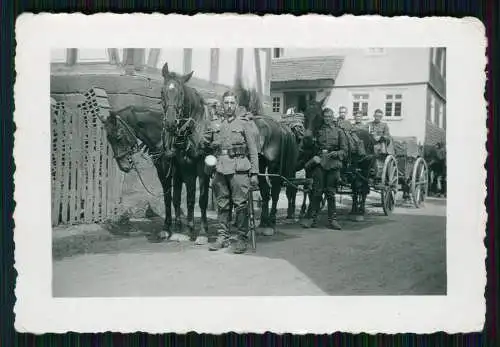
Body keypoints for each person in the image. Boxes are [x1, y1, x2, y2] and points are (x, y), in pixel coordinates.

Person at [207, 91, 259, 254]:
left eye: (232, 103)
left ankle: (241, 238)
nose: (229, 106)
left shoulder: (244, 123)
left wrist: (255, 172)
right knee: (222, 204)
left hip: (239, 168)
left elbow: (253, 150)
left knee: (240, 205)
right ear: (223, 105)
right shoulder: (218, 124)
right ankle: (222, 236)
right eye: (226, 103)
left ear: (236, 105)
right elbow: (212, 143)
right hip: (221, 168)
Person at [302, 107, 348, 230]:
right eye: (325, 117)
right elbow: (311, 148)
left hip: (333, 165)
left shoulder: (339, 132)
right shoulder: (317, 131)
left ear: (333, 117)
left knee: (331, 193)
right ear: (323, 118)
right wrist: (314, 156)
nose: (328, 119)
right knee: (317, 192)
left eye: (329, 117)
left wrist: (337, 154)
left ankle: (332, 220)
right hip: (320, 164)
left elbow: (345, 151)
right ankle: (313, 219)